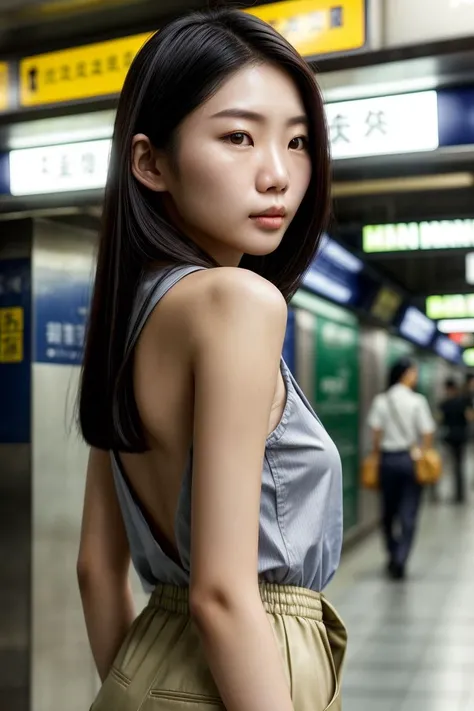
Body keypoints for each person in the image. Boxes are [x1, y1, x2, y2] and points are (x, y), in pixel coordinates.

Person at [77, 9, 346, 711]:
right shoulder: (240, 303)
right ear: (150, 162)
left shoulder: (127, 316)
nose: (278, 174)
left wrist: (145, 687)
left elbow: (96, 570)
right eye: (237, 136)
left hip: (146, 664)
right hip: (250, 669)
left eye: (297, 141)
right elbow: (224, 594)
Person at [367, 357, 436, 581]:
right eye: (414, 373)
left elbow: (376, 434)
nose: (415, 378)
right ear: (405, 374)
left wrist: (377, 457)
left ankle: (392, 551)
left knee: (388, 512)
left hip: (388, 460)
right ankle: (401, 558)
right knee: (409, 512)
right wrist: (422, 451)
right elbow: (427, 432)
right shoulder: (418, 401)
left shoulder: (381, 401)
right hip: (409, 459)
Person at [438, 377, 473, 504]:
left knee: (449, 466)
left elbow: (440, 420)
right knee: (459, 465)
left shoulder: (444, 404)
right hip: (462, 436)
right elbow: (469, 417)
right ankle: (460, 494)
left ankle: (448, 493)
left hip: (449, 437)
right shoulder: (463, 401)